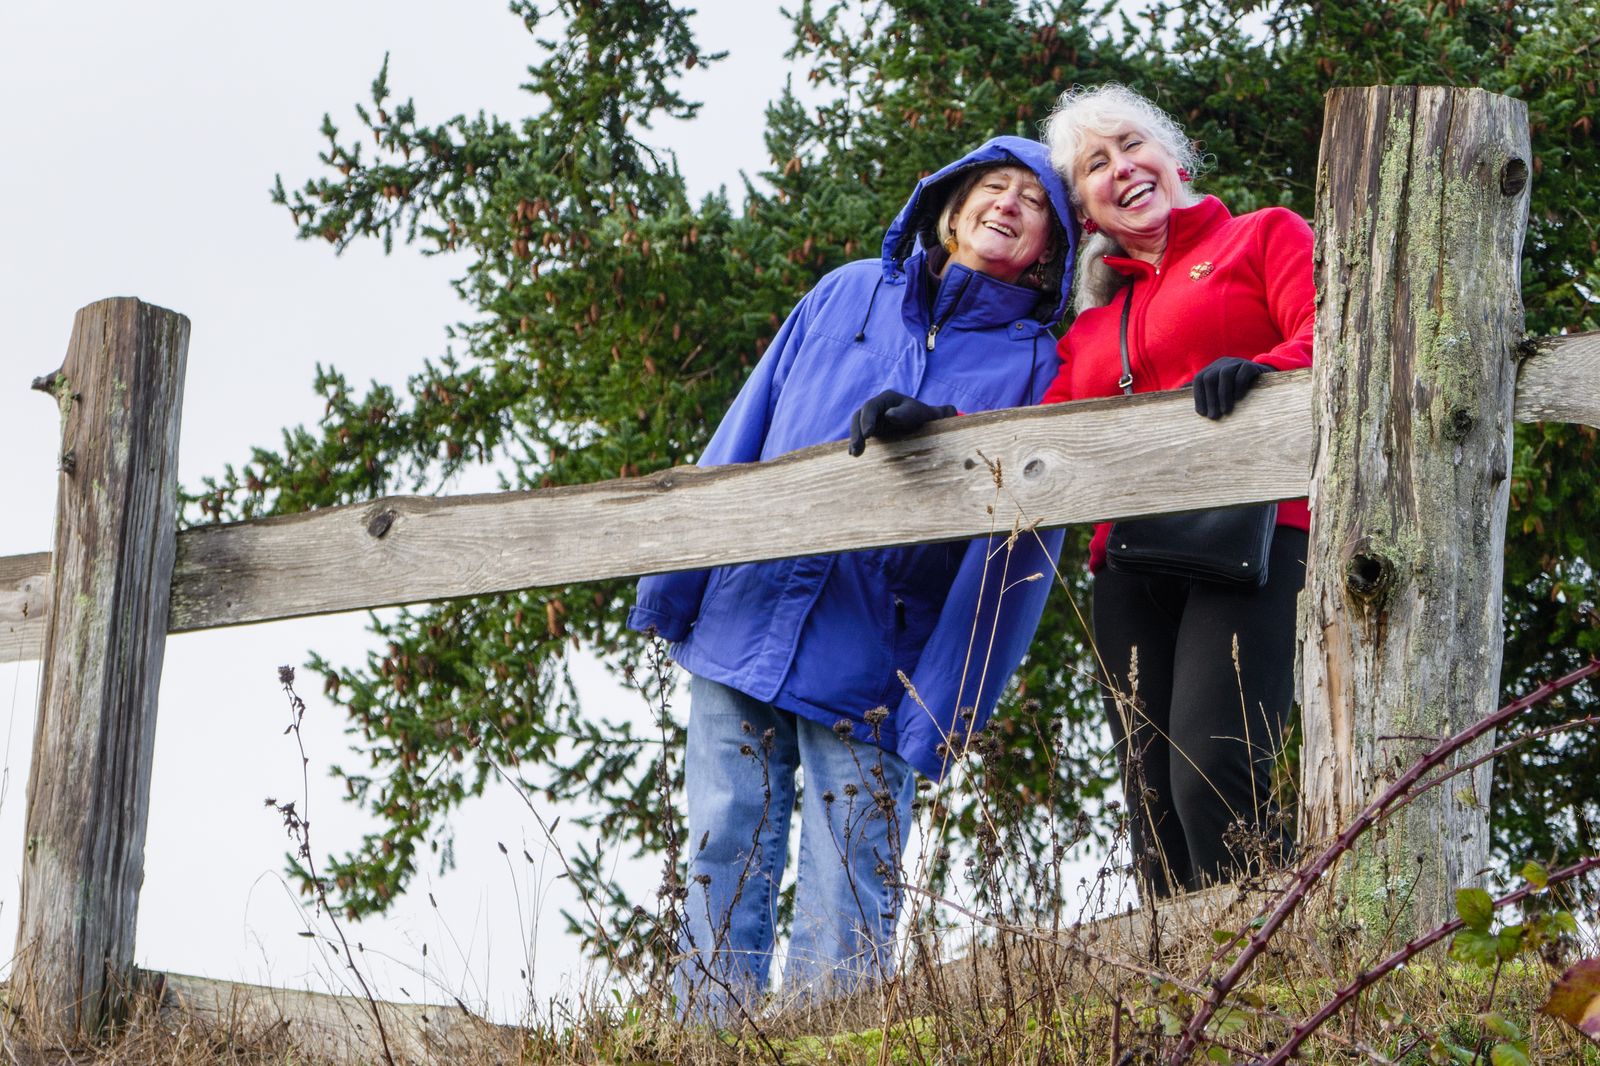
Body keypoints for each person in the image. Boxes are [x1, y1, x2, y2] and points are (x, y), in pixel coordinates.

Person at [628, 136, 1075, 1017]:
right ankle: (703, 1037)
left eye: (1034, 203)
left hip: (879, 662)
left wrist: (945, 703)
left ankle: (830, 1044)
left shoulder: (1036, 364)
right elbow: (744, 428)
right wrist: (678, 584)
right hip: (744, 620)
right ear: (949, 209)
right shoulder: (842, 295)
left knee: (849, 886)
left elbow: (1022, 548)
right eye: (994, 186)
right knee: (723, 845)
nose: (1009, 204)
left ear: (1050, 253)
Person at [1040, 84, 1314, 898]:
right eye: (1096, 164)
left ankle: (1268, 976)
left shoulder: (1262, 236)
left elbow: (1329, 337)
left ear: (1175, 158)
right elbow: (1039, 438)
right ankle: (1186, 1002)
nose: (1120, 167)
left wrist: (1264, 372)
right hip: (1130, 567)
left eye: (1132, 145)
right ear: (1085, 209)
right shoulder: (1091, 329)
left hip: (1258, 537)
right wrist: (934, 423)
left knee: (1214, 768)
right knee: (1151, 798)